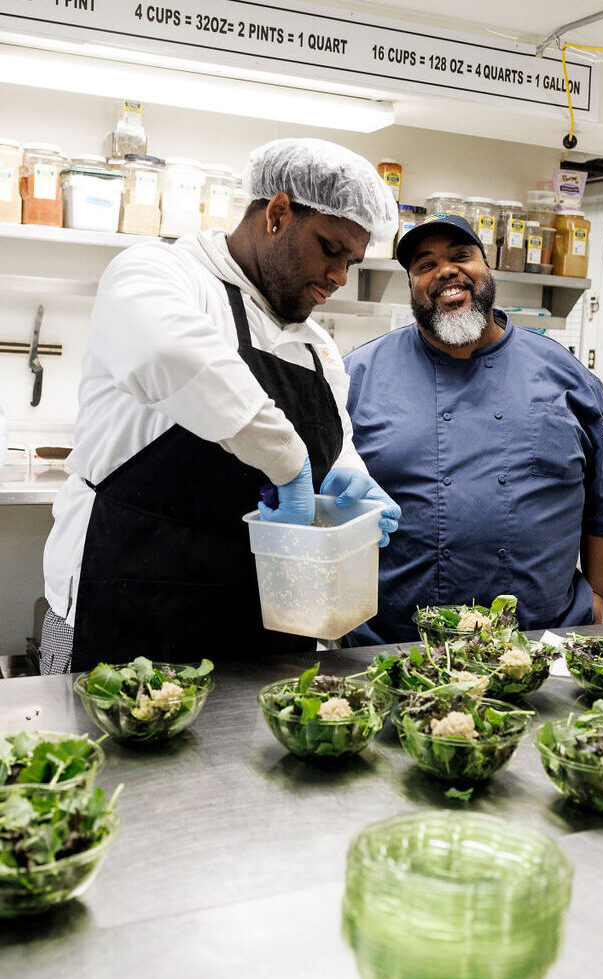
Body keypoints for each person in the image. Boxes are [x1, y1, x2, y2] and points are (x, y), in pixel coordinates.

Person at [40, 138, 401, 673]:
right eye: (330, 249)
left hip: (261, 626)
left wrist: (348, 480)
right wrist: (288, 462)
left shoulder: (317, 346)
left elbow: (337, 442)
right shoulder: (160, 272)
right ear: (278, 213)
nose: (339, 278)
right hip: (126, 609)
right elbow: (170, 353)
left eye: (351, 261)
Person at [343, 213, 603, 645]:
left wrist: (596, 597)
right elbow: (325, 507)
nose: (445, 270)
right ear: (410, 287)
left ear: (488, 269)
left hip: (544, 639)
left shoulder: (565, 376)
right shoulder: (358, 376)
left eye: (461, 255)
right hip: (395, 645)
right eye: (424, 265)